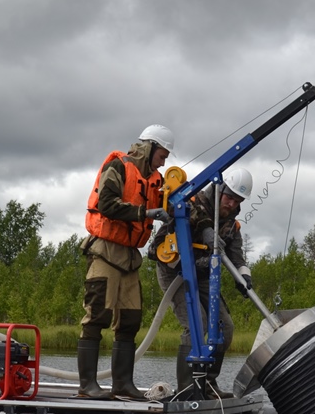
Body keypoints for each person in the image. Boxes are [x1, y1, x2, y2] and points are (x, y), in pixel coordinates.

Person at [76, 124, 173, 399]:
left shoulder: (156, 180)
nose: (163, 162)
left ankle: (123, 385)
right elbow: (106, 204)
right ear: (149, 148)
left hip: (131, 257)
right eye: (162, 155)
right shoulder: (119, 166)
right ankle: (88, 387)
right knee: (97, 316)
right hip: (106, 251)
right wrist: (146, 212)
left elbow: (169, 203)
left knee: (130, 320)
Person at [149, 167, 254, 399]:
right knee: (198, 322)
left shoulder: (232, 225)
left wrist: (244, 276)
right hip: (174, 270)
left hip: (205, 274)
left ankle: (207, 384)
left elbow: (236, 256)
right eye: (229, 197)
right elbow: (191, 215)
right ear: (221, 190)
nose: (231, 204)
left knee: (224, 327)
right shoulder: (192, 200)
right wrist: (206, 229)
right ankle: (188, 388)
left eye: (237, 200)